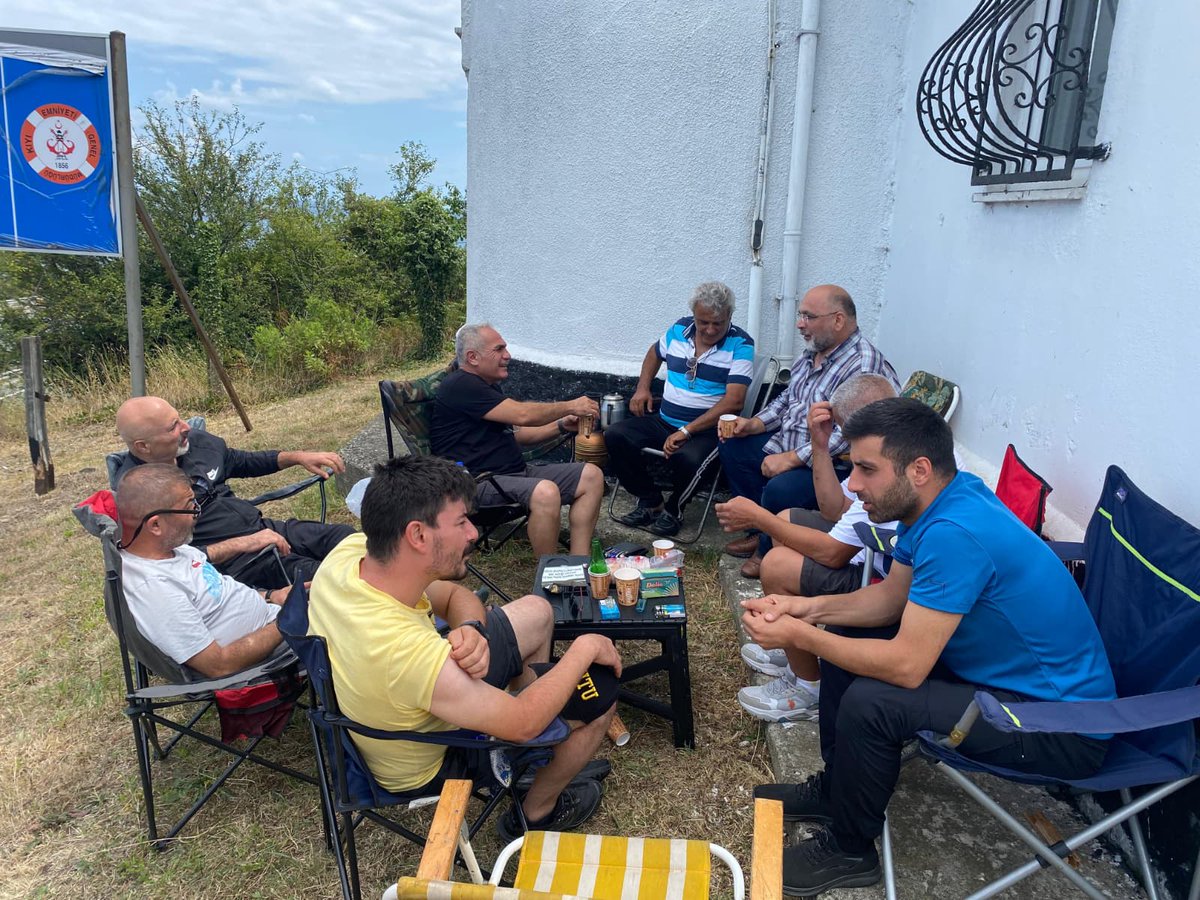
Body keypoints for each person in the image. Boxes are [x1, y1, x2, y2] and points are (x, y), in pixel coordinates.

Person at [741, 398, 1116, 895]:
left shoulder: (955, 532)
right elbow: (888, 601)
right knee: (848, 637)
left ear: (919, 469)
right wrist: (804, 612)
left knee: (874, 701)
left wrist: (798, 637)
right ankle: (837, 789)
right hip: (998, 682)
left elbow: (906, 667)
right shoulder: (941, 502)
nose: (852, 485)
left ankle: (850, 850)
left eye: (866, 470)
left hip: (1058, 722)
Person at [307, 454, 621, 841]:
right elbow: (522, 723)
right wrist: (584, 649)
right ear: (418, 535)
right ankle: (536, 811)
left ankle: (538, 759)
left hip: (409, 698)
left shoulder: (351, 554)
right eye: (461, 523)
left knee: (538, 612)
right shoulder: (406, 652)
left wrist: (471, 627)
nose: (473, 533)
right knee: (601, 691)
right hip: (436, 752)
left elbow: (455, 595)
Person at [718, 375, 898, 723]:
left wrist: (758, 518)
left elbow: (834, 554)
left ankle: (809, 688)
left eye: (846, 433)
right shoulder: (887, 445)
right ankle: (797, 648)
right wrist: (819, 445)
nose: (843, 442)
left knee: (777, 564)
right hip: (869, 553)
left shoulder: (893, 465)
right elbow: (834, 509)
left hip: (878, 574)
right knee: (789, 519)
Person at [718, 284, 898, 579]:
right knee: (733, 446)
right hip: (790, 439)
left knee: (782, 487)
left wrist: (792, 459)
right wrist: (754, 424)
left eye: (808, 317)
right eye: (800, 315)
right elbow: (787, 400)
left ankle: (766, 547)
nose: (800, 324)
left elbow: (853, 431)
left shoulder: (863, 363)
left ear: (838, 320)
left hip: (829, 459)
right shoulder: (811, 352)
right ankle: (758, 526)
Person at [114, 396, 355, 590]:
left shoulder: (194, 444)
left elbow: (240, 461)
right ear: (143, 446)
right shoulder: (139, 494)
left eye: (179, 419)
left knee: (349, 539)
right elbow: (170, 562)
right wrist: (246, 543)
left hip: (264, 528)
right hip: (237, 563)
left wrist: (296, 457)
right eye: (172, 427)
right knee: (329, 577)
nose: (186, 427)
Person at [430, 323, 604, 557]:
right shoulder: (461, 385)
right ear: (473, 357)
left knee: (591, 476)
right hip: (474, 484)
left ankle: (578, 563)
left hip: (512, 476)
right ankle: (549, 573)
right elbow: (523, 415)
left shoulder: (486, 387)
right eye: (499, 349)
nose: (508, 355)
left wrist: (562, 425)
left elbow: (520, 433)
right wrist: (571, 405)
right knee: (545, 492)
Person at [607, 281, 755, 537]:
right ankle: (651, 501)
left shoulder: (741, 344)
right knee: (615, 435)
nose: (709, 330)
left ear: (730, 316)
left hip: (706, 430)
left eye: (717, 323)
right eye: (703, 322)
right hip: (665, 419)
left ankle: (674, 509)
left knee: (690, 458)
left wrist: (687, 431)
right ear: (694, 315)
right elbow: (654, 353)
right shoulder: (679, 329)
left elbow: (734, 401)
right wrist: (642, 388)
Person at [115, 464, 288, 678]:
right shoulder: (155, 589)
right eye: (190, 505)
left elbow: (215, 594)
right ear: (156, 525)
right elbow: (219, 665)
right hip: (267, 654)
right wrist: (291, 618)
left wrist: (272, 596)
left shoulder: (169, 549)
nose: (197, 512)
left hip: (274, 618)